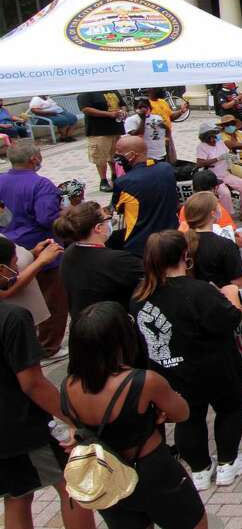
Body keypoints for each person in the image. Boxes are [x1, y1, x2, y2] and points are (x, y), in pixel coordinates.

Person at [60, 301, 203, 529]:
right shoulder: (144, 381)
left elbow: (82, 425)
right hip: (153, 471)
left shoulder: (68, 385)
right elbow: (182, 412)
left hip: (107, 475)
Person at [131, 231, 242, 491]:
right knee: (229, 410)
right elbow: (229, 320)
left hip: (172, 370)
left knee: (188, 417)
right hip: (215, 366)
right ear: (185, 256)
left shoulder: (140, 296)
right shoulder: (198, 291)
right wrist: (230, 294)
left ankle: (199, 469)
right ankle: (228, 463)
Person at [0, 264, 94, 529]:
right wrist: (74, 417)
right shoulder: (13, 318)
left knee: (17, 495)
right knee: (73, 484)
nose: (17, 270)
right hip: (23, 426)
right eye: (12, 266)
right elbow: (33, 383)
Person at [0, 140, 65, 356]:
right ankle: (48, 346)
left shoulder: (1, 180)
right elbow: (47, 218)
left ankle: (25, 342)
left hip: (9, 249)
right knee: (52, 299)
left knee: (22, 298)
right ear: (34, 159)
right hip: (40, 248)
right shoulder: (41, 184)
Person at [54, 201, 142, 324]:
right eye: (107, 219)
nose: (110, 223)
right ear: (98, 228)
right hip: (112, 327)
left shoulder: (69, 252)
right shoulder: (116, 261)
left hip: (82, 324)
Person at [110, 135, 180, 256]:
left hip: (141, 247)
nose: (116, 157)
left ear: (131, 155)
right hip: (173, 238)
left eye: (119, 153)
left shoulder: (123, 183)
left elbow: (118, 209)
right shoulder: (167, 169)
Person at [181, 193, 242, 290]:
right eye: (218, 207)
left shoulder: (180, 242)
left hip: (190, 298)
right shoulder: (225, 245)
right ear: (213, 213)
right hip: (219, 300)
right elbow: (240, 282)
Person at [196, 122, 242, 223]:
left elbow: (227, 154)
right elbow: (199, 164)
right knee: (225, 193)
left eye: (214, 136)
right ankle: (226, 216)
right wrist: (217, 159)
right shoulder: (202, 147)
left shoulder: (220, 143)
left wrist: (232, 158)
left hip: (226, 174)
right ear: (205, 137)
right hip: (214, 177)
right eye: (211, 137)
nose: (214, 139)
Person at [77, 89, 127, 193]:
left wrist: (123, 111)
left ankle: (115, 176)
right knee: (100, 157)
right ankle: (103, 181)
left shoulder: (112, 90)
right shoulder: (86, 92)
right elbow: (85, 109)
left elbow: (122, 104)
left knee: (115, 155)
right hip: (98, 130)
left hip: (116, 128)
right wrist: (108, 114)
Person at [123, 97, 170, 163]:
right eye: (140, 107)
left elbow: (167, 131)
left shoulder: (157, 117)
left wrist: (167, 140)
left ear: (150, 107)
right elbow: (137, 134)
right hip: (144, 157)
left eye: (146, 107)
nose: (143, 109)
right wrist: (143, 119)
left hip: (161, 154)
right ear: (135, 108)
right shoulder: (131, 120)